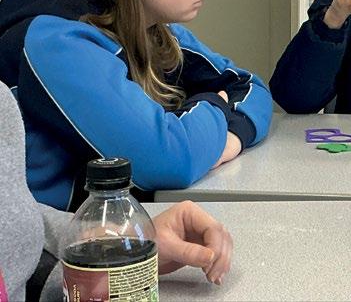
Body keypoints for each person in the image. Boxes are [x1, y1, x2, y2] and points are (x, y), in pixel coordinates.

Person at [0, 0, 272, 211]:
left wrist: (230, 139)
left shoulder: (148, 25)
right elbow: (172, 159)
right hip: (47, 237)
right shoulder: (56, 43)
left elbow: (251, 88)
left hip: (104, 224)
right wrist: (215, 103)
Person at [0, 79, 233, 301]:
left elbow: (241, 83)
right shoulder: (62, 54)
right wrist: (216, 107)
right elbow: (172, 155)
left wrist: (110, 247)